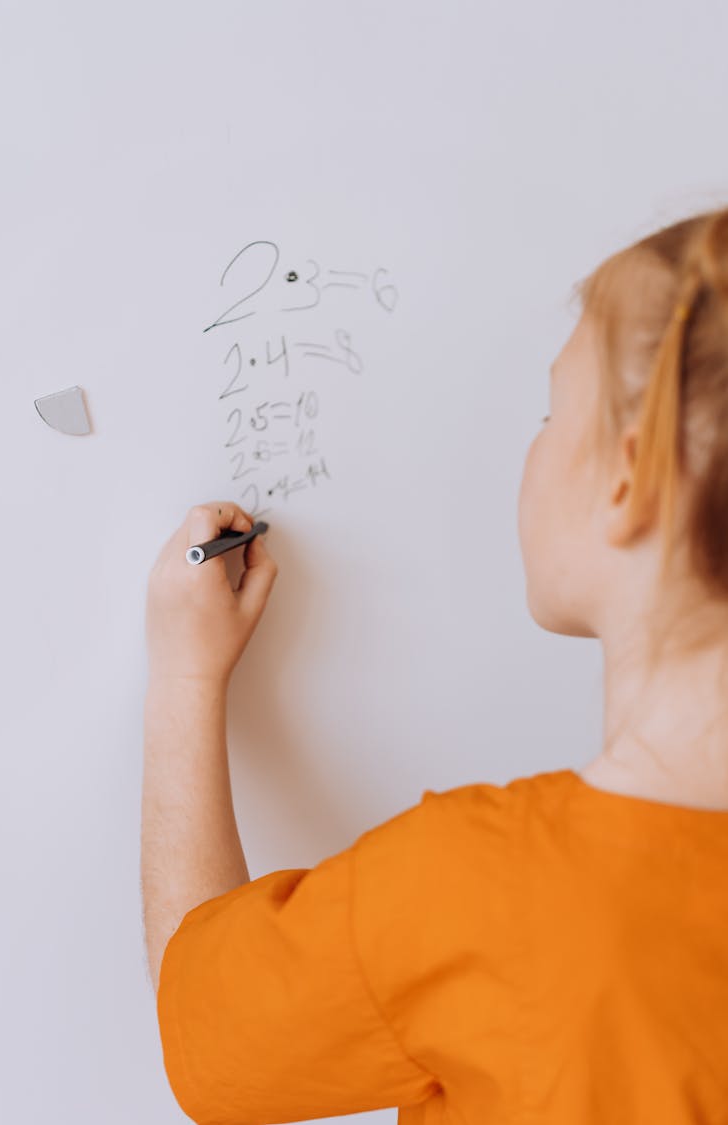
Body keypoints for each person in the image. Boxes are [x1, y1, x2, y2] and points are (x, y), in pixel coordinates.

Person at [142, 206, 728, 1125]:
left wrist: (185, 678)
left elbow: (203, 1035)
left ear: (628, 476)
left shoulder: (478, 894)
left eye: (550, 412)